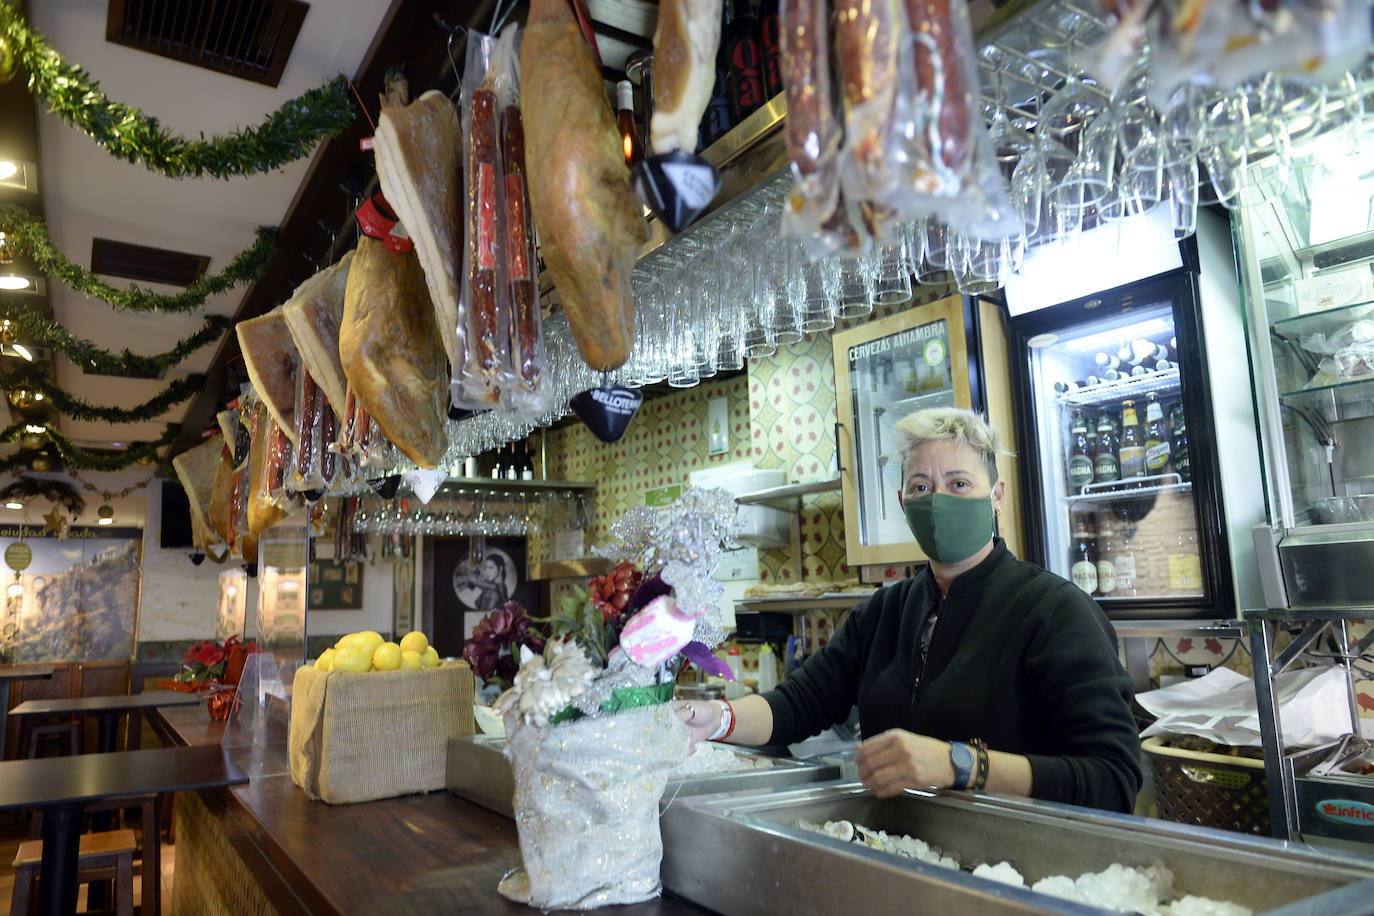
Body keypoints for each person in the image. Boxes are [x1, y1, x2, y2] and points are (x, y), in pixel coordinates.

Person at [676, 407, 1143, 813]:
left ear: (996, 496)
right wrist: (718, 718)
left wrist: (960, 764)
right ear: (902, 503)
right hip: (906, 848)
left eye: (959, 483)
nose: (937, 499)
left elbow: (1111, 780)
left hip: (1019, 869)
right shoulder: (882, 612)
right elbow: (798, 704)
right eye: (920, 487)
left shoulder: (1056, 612)